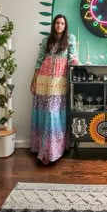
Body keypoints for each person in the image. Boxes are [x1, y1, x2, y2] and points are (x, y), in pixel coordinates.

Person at [30, 14, 77, 164]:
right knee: (45, 113)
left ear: (65, 25)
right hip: (44, 79)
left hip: (59, 80)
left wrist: (76, 62)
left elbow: (72, 57)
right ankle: (43, 150)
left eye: (62, 23)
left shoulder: (70, 39)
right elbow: (39, 61)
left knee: (54, 112)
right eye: (57, 23)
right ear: (53, 25)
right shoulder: (46, 40)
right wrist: (34, 80)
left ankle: (56, 149)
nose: (59, 26)